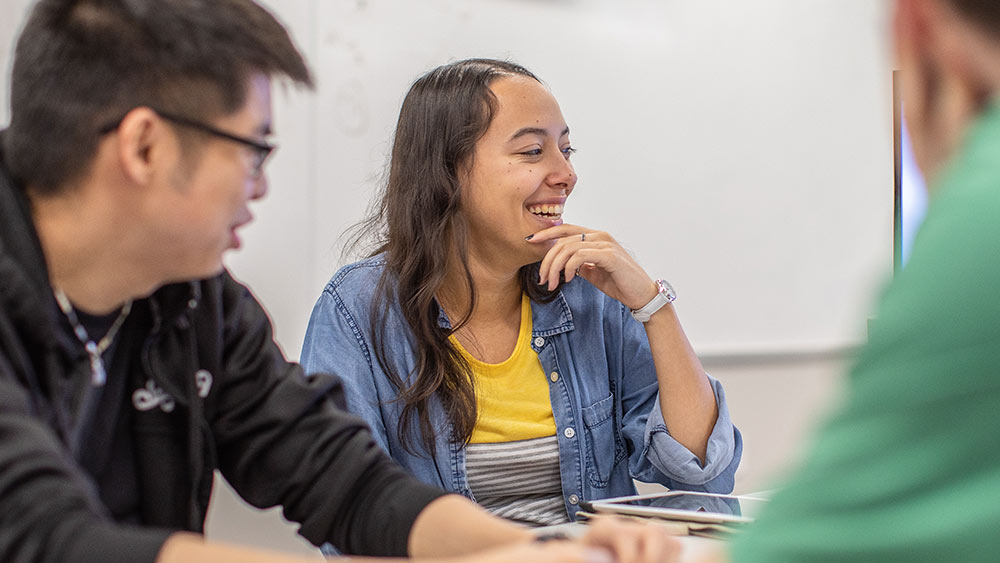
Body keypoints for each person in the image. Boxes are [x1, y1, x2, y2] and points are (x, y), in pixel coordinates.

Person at [0, 1, 678, 562]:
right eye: (253, 151)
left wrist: (533, 549)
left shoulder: (194, 302)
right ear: (145, 147)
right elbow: (46, 537)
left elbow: (344, 480)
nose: (259, 187)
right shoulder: (354, 306)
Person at [301, 58, 742, 527]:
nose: (565, 174)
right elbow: (345, 505)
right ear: (447, 170)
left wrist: (653, 307)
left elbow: (702, 473)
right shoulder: (359, 308)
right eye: (533, 151)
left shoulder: (587, 293)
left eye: (567, 151)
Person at [696, 0, 1000, 561]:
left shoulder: (981, 217)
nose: (563, 175)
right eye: (533, 150)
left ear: (916, 23)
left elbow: (791, 538)